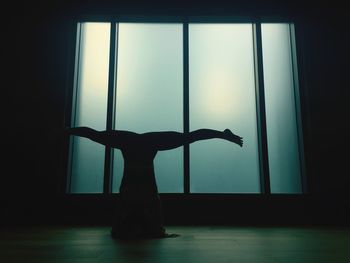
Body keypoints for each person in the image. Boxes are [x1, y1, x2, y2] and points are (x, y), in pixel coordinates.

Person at [66, 127, 243, 239]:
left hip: (139, 147)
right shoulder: (141, 199)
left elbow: (134, 212)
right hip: (138, 145)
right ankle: (222, 134)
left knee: (188, 137)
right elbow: (91, 134)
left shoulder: (143, 199)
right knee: (188, 137)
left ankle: (223, 134)